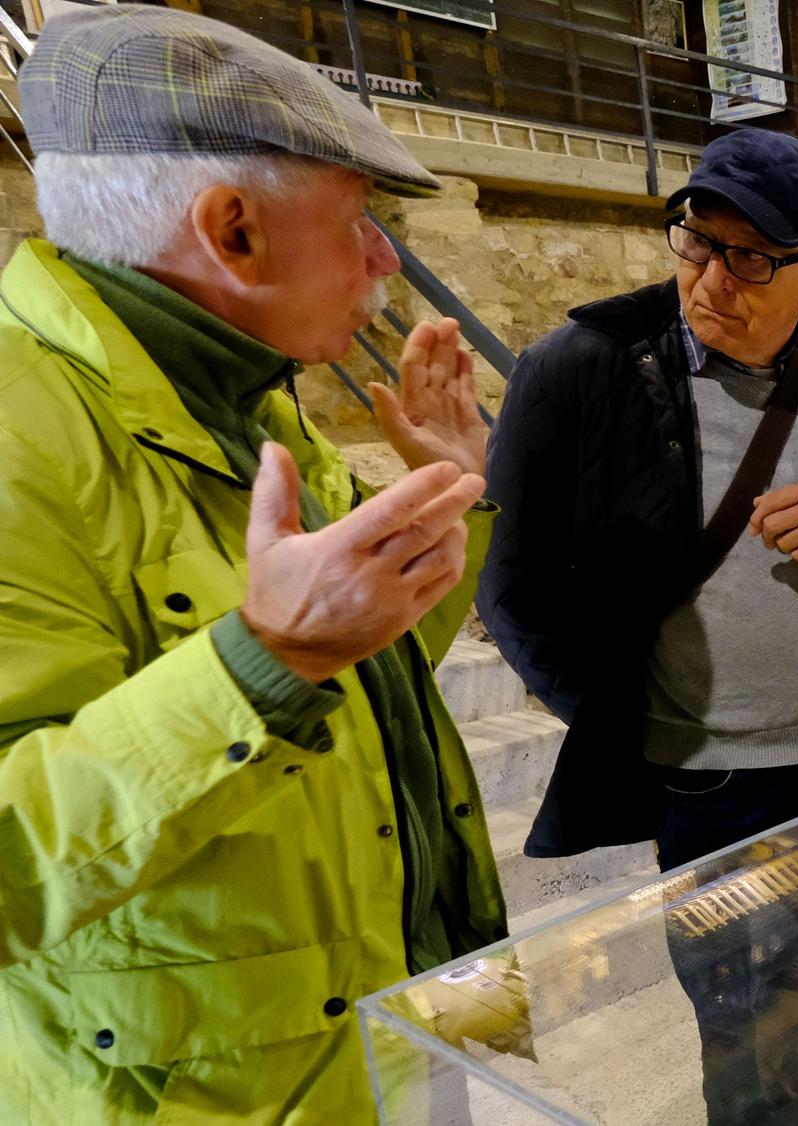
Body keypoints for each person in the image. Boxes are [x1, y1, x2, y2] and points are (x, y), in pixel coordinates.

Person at [0, 8, 503, 1121]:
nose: (383, 260)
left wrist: (448, 505)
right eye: (362, 219)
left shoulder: (238, 394)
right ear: (231, 229)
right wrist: (260, 661)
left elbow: (351, 677)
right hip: (192, 1091)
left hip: (359, 1039)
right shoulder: (20, 430)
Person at [478, 127, 798, 1124]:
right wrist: (610, 712)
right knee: (744, 1058)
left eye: (751, 258)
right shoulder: (583, 367)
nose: (713, 280)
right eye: (696, 242)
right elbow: (511, 583)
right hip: (710, 791)